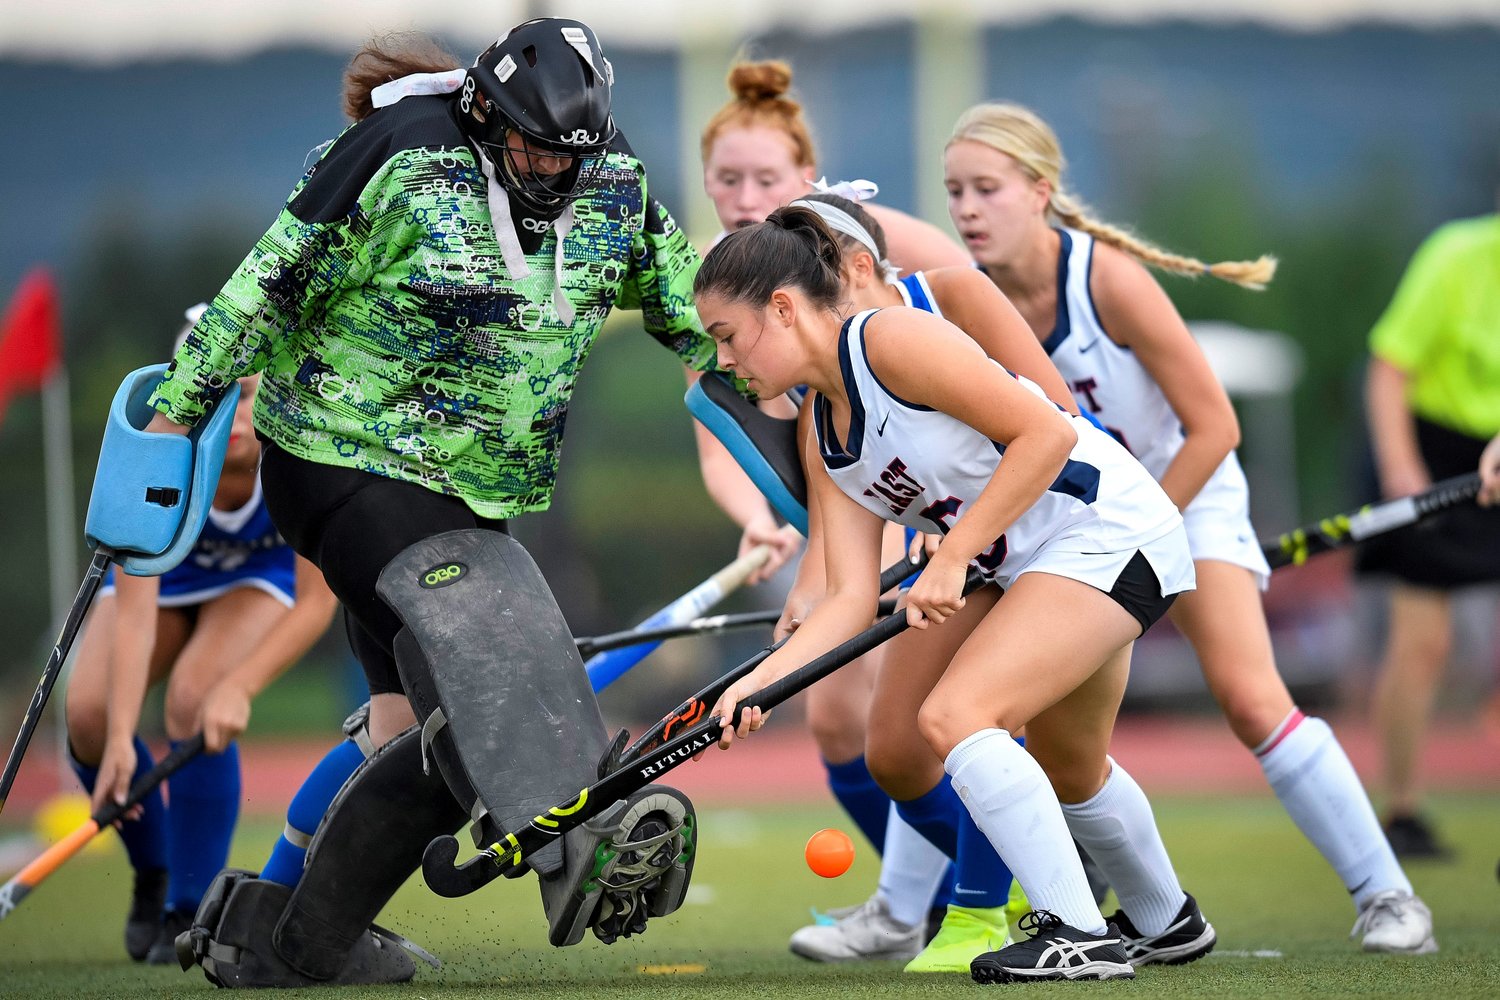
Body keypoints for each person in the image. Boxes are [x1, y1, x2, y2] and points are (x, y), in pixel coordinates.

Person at [143, 19, 762, 987]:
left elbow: (692, 306)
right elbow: (265, 284)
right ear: (483, 111)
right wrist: (174, 415)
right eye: (535, 146)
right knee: (497, 633)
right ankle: (583, 834)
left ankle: (280, 931)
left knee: (423, 744)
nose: (554, 170)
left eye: (573, 153)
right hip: (340, 455)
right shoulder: (395, 156)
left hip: (472, 490)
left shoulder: (611, 177)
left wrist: (780, 392)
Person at [944, 100, 1437, 954]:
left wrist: (1142, 538)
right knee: (1051, 737)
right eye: (955, 191)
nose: (967, 209)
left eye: (987, 188)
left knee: (1250, 696)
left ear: (1041, 191)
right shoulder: (962, 300)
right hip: (1067, 522)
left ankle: (1388, 896)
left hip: (1185, 491)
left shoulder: (1107, 282)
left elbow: (1214, 426)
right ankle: (1145, 912)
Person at [695, 205, 1210, 983]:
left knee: (956, 716)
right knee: (1073, 768)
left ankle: (1076, 932)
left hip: (1109, 532)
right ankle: (1165, 920)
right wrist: (758, 685)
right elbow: (846, 599)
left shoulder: (889, 340)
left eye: (727, 335)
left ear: (783, 307)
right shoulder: (821, 433)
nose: (723, 359)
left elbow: (1050, 434)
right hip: (1042, 562)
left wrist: (954, 554)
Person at [695, 58, 978, 965]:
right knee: (841, 725)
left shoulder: (870, 246)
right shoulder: (725, 282)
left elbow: (965, 388)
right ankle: (925, 905)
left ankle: (983, 894)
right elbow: (727, 442)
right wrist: (763, 524)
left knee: (941, 725)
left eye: (765, 180)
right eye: (727, 180)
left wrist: (897, 553)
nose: (745, 197)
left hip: (936, 506)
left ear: (804, 178)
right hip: (849, 508)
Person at [769, 191, 1086, 972]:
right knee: (897, 756)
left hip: (1050, 536)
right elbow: (850, 507)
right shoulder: (827, 388)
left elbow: (1055, 410)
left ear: (858, 268)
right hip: (960, 550)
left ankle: (984, 911)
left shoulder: (950, 298)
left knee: (976, 719)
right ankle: (1027, 873)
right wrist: (814, 592)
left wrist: (958, 533)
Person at [65, 310, 338, 964]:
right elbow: (134, 613)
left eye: (246, 394)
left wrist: (239, 687)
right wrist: (124, 734)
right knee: (90, 717)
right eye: (216, 394)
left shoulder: (299, 446)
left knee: (195, 698)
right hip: (166, 575)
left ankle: (191, 909)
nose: (235, 413)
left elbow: (315, 601)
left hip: (257, 579)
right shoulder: (160, 453)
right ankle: (153, 871)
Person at [1358, 206, 1500, 858]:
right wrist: (1402, 470)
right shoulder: (1455, 255)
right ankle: (1403, 810)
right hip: (1430, 448)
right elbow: (1389, 367)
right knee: (1424, 643)